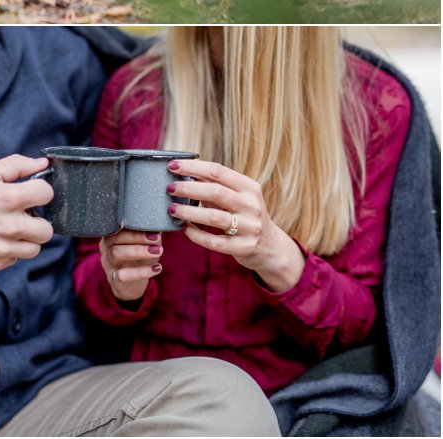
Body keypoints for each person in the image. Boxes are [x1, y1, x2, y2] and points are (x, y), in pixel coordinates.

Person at [0, 25, 282, 437]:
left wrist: (122, 284)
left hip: (49, 396)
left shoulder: (65, 57)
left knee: (226, 400)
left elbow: (210, 55)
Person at [73, 25, 439, 435]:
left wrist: (279, 258)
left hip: (310, 398)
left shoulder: (376, 104)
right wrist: (123, 286)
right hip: (160, 395)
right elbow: (88, 276)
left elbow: (381, 328)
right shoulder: (135, 91)